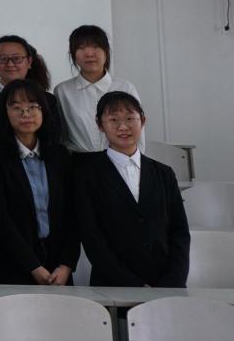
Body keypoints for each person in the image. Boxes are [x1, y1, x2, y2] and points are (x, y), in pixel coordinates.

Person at [74, 90, 189, 288]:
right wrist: (133, 285)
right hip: (113, 285)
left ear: (142, 121)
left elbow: (179, 232)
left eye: (130, 118)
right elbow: (92, 238)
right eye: (113, 120)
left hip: (165, 284)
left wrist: (172, 281)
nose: (123, 126)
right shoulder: (87, 175)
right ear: (100, 125)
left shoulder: (164, 173)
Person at [0, 79, 79, 286]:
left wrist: (66, 264)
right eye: (17, 108)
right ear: (5, 112)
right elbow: (0, 217)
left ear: (44, 111)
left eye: (33, 106)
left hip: (59, 268)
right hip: (14, 267)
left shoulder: (60, 156)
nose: (26, 114)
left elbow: (74, 214)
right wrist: (32, 266)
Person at [54, 24, 142, 153]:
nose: (89, 54)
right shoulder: (63, 91)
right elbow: (60, 135)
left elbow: (137, 131)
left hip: (119, 157)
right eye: (81, 48)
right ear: (73, 54)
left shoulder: (125, 87)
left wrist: (137, 161)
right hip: (78, 160)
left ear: (106, 51)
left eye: (96, 47)